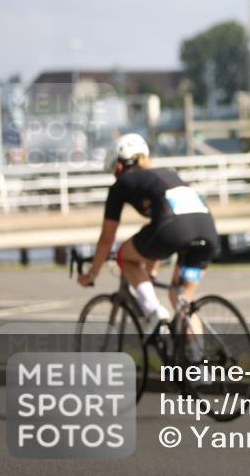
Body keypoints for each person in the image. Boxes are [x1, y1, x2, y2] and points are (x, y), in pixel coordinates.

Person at [77, 133, 219, 344]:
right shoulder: (168, 175)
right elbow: (163, 229)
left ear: (119, 166)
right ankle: (199, 366)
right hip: (207, 232)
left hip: (173, 230)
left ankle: (154, 312)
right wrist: (150, 271)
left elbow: (107, 239)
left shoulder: (123, 183)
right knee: (182, 300)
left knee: (125, 256)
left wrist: (92, 274)